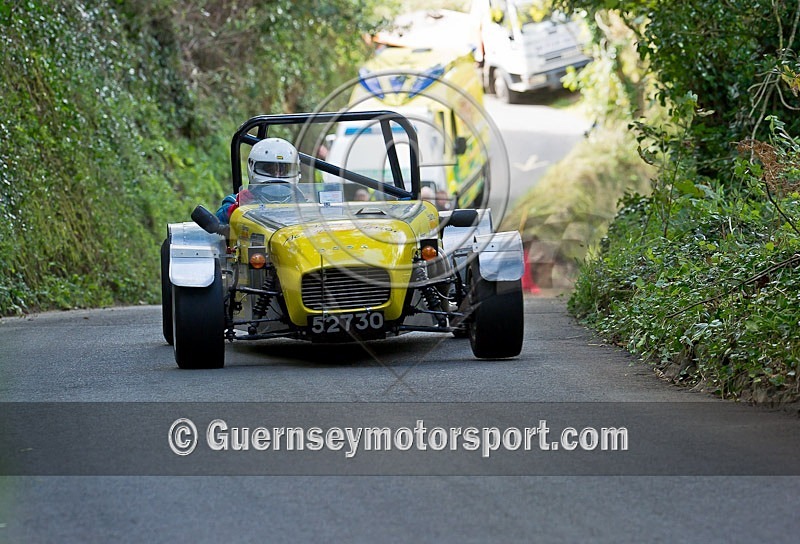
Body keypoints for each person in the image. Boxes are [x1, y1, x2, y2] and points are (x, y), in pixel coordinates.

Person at [216, 137, 302, 223]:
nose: (277, 175)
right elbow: (219, 219)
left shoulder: (301, 201)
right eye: (269, 169)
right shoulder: (240, 199)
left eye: (283, 170)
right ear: (252, 166)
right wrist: (236, 208)